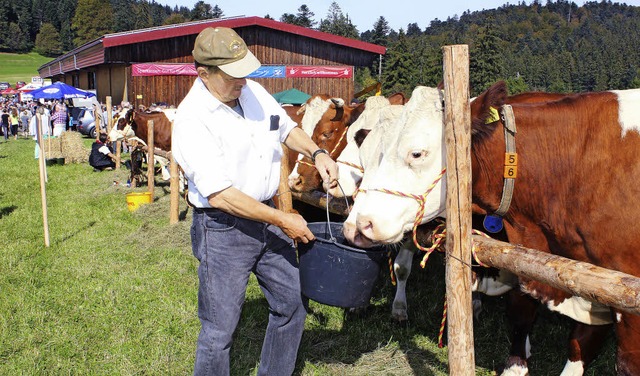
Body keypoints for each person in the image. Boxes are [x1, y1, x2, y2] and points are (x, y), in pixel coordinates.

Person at [172, 27, 339, 376]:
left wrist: (317, 151)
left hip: (268, 218)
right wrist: (283, 219)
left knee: (292, 304)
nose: (243, 81)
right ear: (203, 74)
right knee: (219, 330)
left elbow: (285, 129)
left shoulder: (254, 91)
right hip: (223, 229)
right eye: (234, 75)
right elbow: (221, 195)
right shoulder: (192, 119)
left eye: (245, 71)